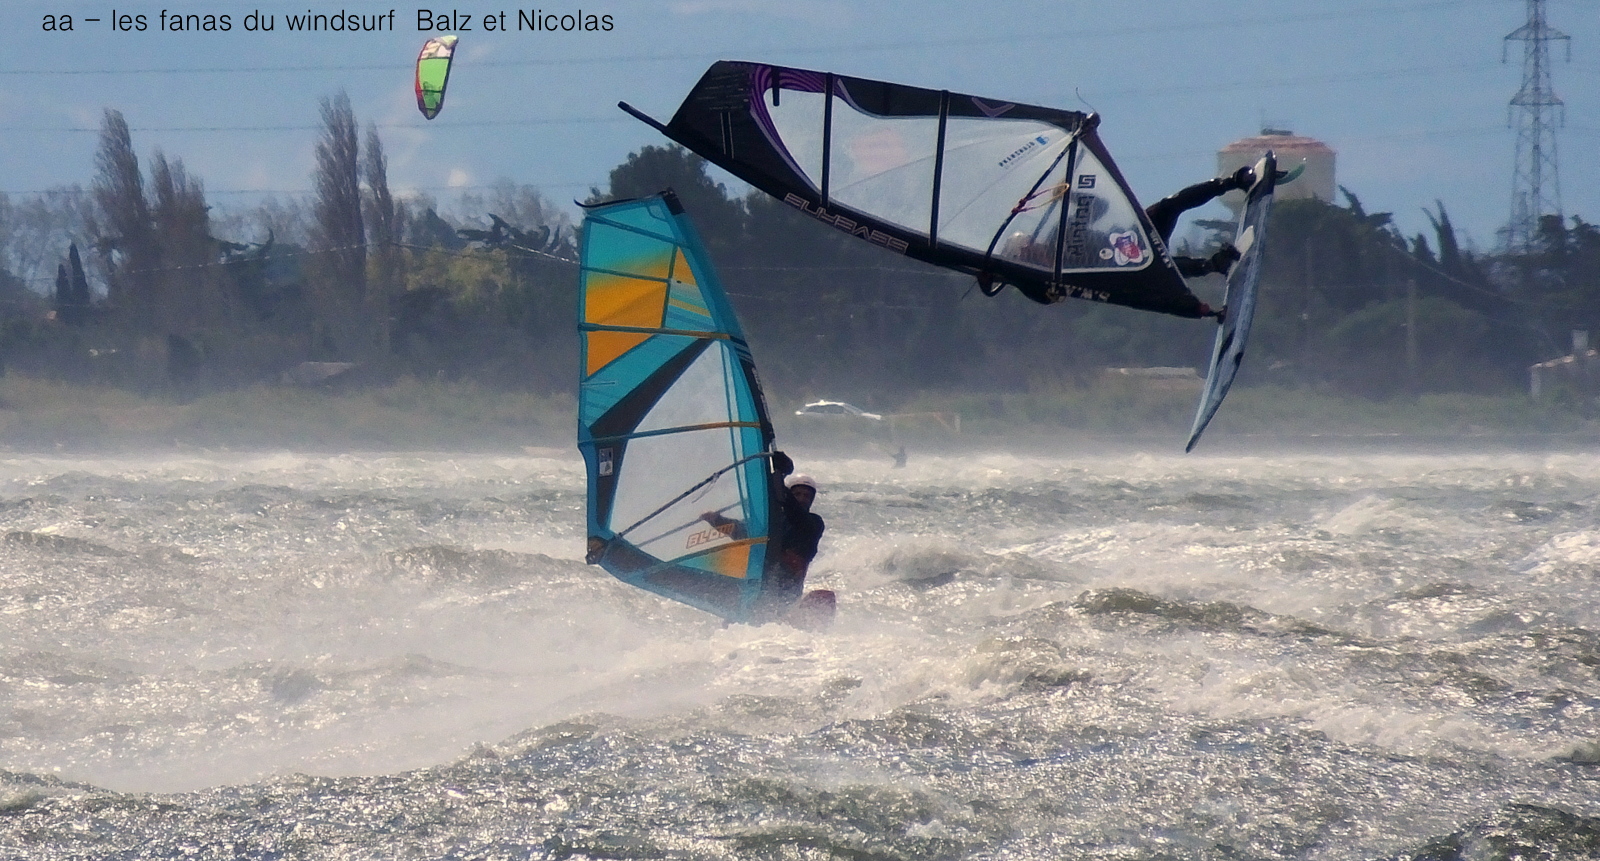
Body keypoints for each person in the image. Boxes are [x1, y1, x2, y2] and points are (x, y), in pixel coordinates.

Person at [699, 450, 828, 620]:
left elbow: (794, 513)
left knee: (825, 597)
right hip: (759, 590)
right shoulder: (771, 523)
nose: (803, 498)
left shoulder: (813, 524)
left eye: (807, 496)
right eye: (798, 494)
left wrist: (780, 475)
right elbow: (741, 531)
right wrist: (716, 520)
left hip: (787, 596)